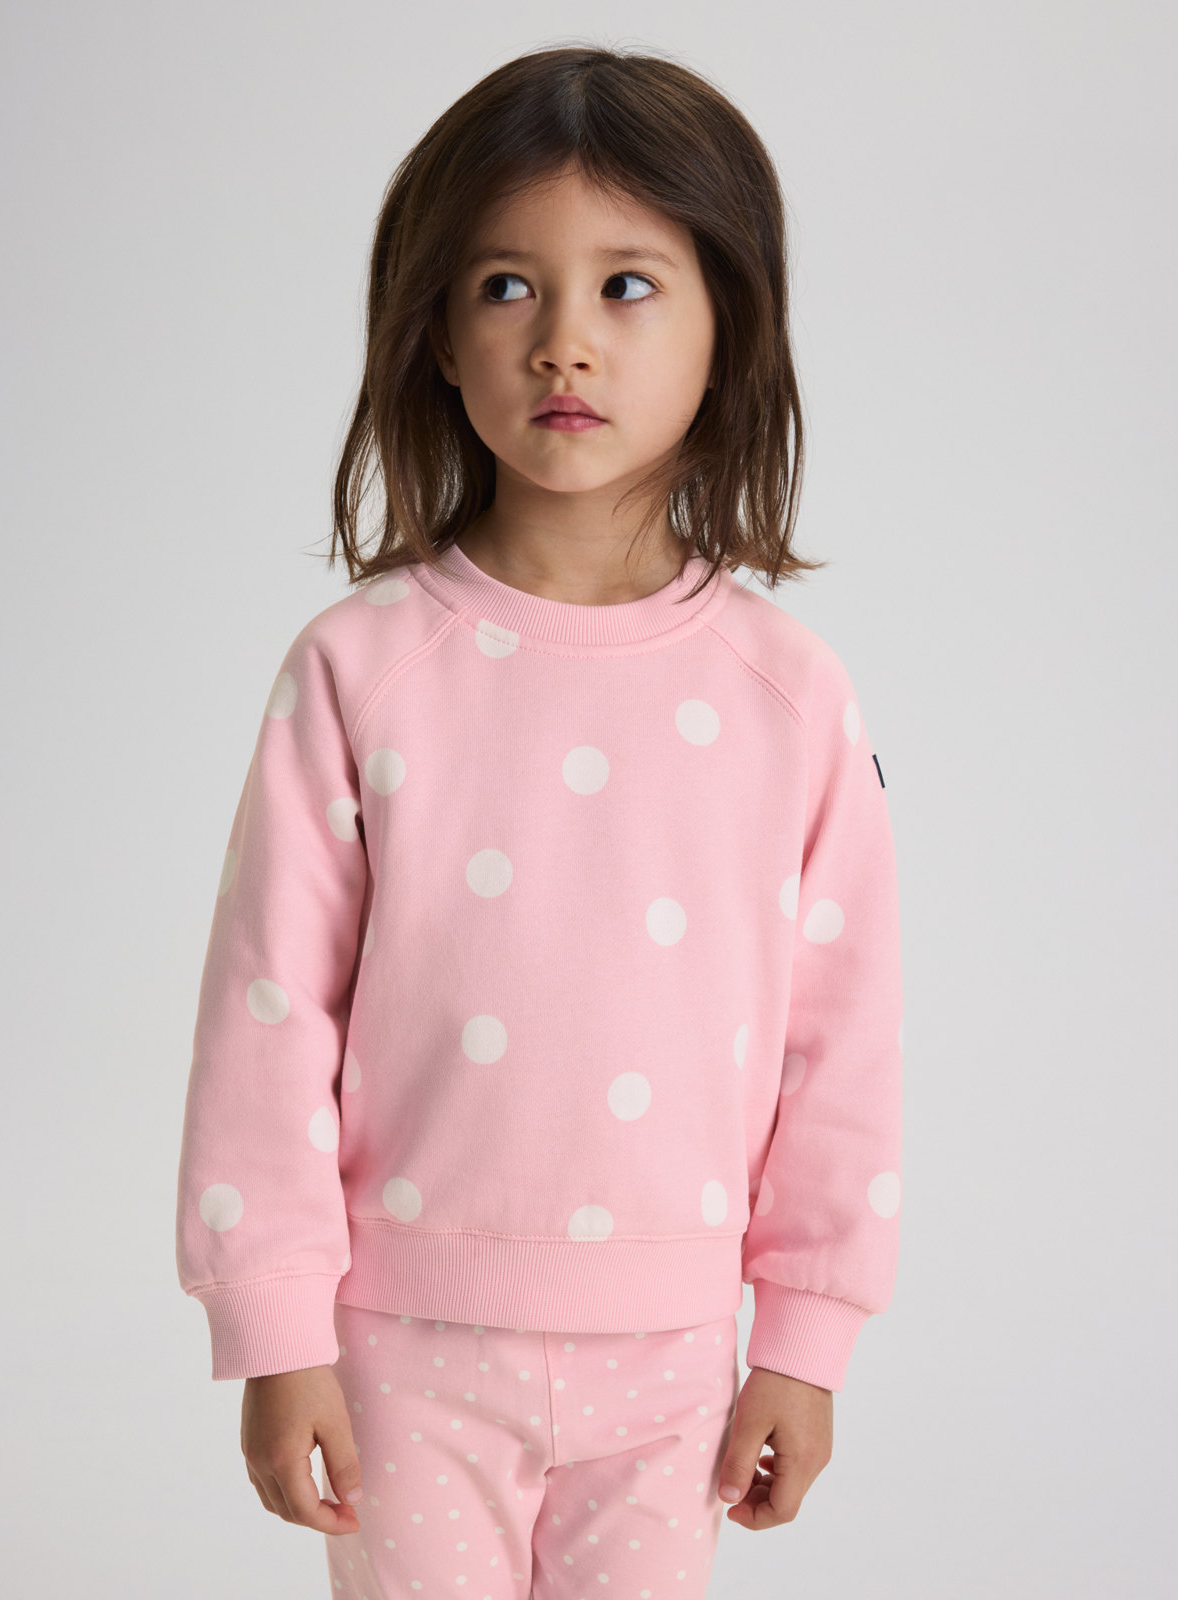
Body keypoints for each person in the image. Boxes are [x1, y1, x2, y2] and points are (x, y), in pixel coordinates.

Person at [175, 42, 904, 1600]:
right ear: (438, 333)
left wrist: (808, 1339)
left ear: (728, 326)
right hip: (399, 1351)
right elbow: (268, 1011)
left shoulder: (791, 695)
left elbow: (839, 1045)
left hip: (677, 1360)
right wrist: (275, 1332)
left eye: (628, 286)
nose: (564, 339)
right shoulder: (360, 668)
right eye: (507, 286)